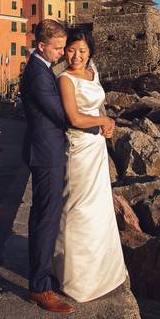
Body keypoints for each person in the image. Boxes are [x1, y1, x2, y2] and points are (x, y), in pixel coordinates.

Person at [53, 28, 126, 303]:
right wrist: (103, 122)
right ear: (65, 51)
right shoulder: (65, 79)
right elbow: (73, 117)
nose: (77, 56)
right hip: (79, 149)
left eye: (83, 51)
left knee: (99, 207)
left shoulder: (93, 74)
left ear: (90, 52)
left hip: (96, 147)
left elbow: (98, 109)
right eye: (72, 50)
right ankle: (74, 276)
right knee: (77, 207)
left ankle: (102, 273)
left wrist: (108, 123)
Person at [19, 19, 80, 313]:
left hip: (46, 150)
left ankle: (40, 276)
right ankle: (40, 289)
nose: (62, 53)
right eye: (57, 48)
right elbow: (60, 114)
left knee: (43, 216)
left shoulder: (42, 69)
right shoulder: (37, 74)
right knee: (46, 218)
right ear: (41, 46)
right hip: (45, 153)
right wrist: (96, 120)